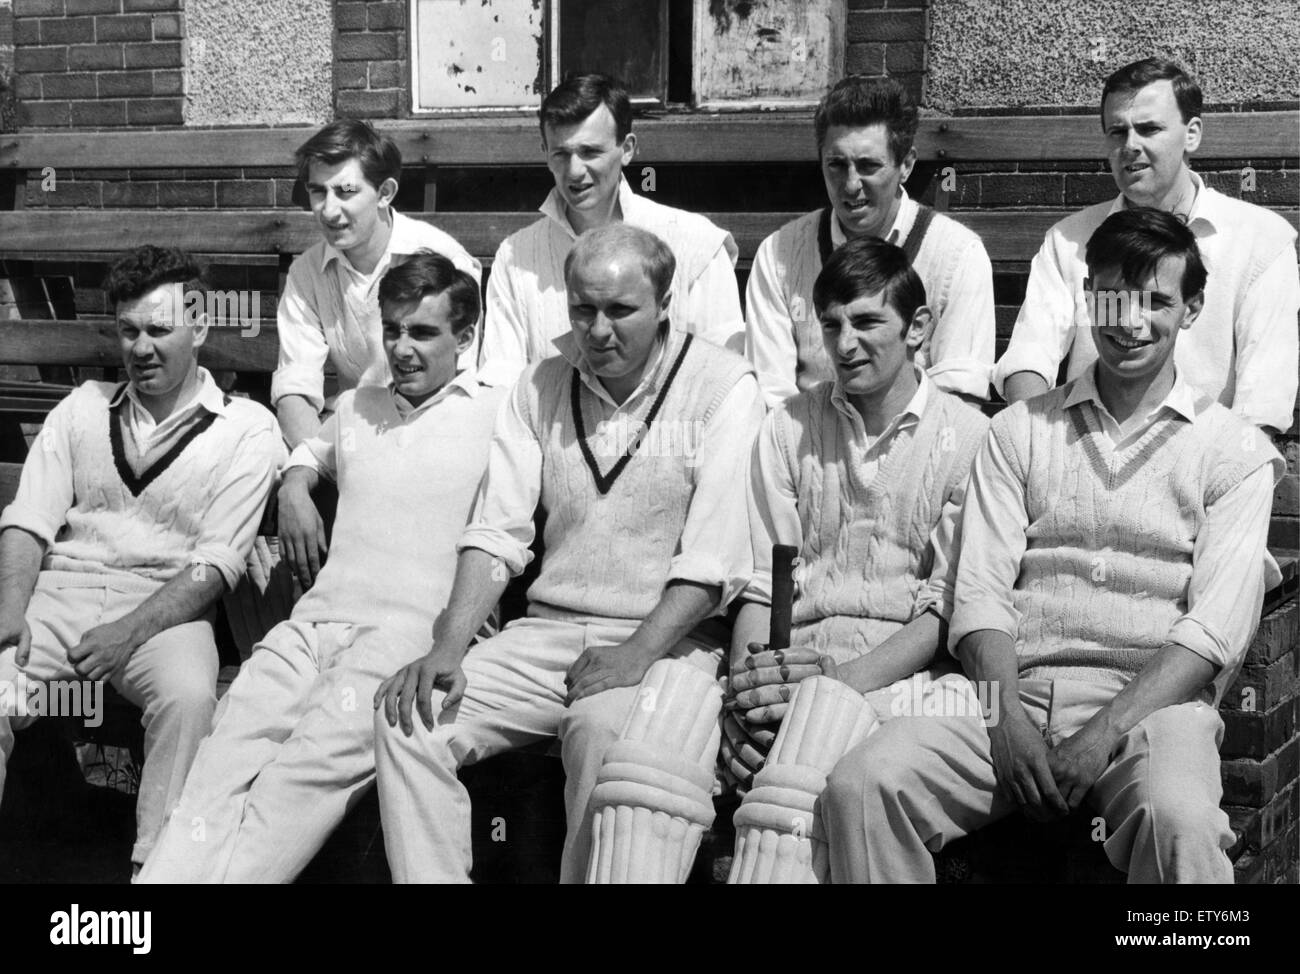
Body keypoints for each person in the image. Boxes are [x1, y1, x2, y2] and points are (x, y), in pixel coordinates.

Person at [822, 208, 1283, 884]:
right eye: (1112, 296)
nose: (1130, 321)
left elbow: (1214, 631)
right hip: (1012, 692)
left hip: (1150, 706)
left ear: (1192, 309)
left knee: (1179, 821)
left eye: (1156, 300)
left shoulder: (1236, 452)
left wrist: (1101, 735)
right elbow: (979, 592)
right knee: (862, 784)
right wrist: (1003, 721)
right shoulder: (1018, 431)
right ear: (1085, 295)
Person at [373, 224, 764, 883]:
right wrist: (449, 645)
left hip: (668, 644)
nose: (599, 329)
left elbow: (712, 562)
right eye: (583, 309)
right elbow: (497, 533)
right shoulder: (539, 385)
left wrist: (634, 655)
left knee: (598, 737)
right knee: (410, 720)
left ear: (664, 304)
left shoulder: (724, 386)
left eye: (621, 310)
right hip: (547, 636)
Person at [138, 252, 502, 883]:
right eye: (392, 330)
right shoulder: (361, 403)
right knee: (218, 764)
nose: (402, 349)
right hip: (311, 626)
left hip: (404, 639)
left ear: (465, 337)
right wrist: (296, 484)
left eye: (422, 333)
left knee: (290, 785)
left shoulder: (499, 414)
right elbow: (311, 449)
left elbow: (511, 532)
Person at [0, 246, 283, 873]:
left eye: (160, 330)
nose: (142, 347)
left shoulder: (247, 428)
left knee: (187, 699)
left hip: (167, 611)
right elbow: (28, 520)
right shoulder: (82, 407)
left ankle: (156, 872)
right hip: (60, 598)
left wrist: (126, 634)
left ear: (201, 328)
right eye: (129, 331)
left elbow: (216, 565)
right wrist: (10, 613)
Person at [722, 236, 988, 883]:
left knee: (789, 798)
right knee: (644, 770)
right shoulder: (788, 426)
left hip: (900, 677)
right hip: (793, 664)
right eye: (833, 325)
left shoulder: (969, 435)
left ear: (918, 327)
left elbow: (940, 615)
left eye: (868, 322)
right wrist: (747, 695)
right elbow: (762, 585)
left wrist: (832, 685)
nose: (845, 344)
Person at [995, 57, 1299, 433]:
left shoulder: (1261, 241)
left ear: (1192, 134)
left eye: (1149, 129)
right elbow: (1029, 358)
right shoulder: (1069, 240)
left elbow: (1263, 401)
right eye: (1117, 132)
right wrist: (1037, 446)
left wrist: (1222, 479)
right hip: (1085, 453)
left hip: (1203, 465)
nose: (1130, 146)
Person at [478, 73, 745, 387]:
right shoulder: (516, 257)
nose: (575, 171)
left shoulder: (697, 245)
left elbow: (723, 378)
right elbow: (502, 383)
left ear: (627, 148)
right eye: (561, 154)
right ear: (545, 153)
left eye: (590, 152)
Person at [744, 76, 995, 405]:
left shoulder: (957, 254)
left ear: (905, 164)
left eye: (868, 166)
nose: (850, 185)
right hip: (809, 445)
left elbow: (958, 403)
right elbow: (771, 396)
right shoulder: (780, 255)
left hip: (916, 446)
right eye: (836, 165)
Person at [273, 118, 482, 448]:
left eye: (346, 191)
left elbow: (458, 387)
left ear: (384, 193)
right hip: (342, 437)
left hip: (429, 434)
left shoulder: (446, 261)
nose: (328, 210)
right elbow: (294, 391)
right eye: (318, 192)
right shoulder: (307, 273)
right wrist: (318, 465)